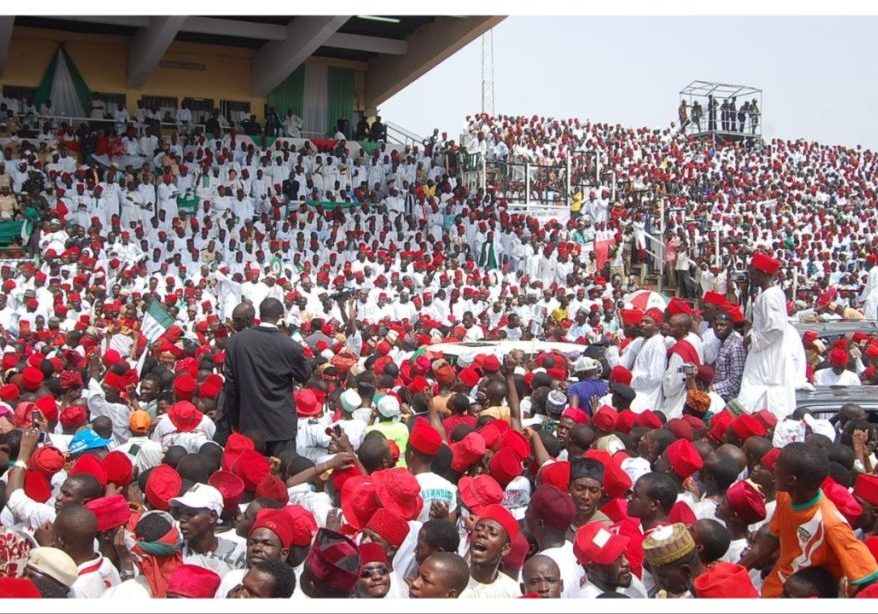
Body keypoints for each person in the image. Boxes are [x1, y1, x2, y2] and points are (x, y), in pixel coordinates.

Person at [740, 442, 878, 597]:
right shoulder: (785, 495)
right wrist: (735, 571)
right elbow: (772, 538)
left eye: (778, 466)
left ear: (792, 480)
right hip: (773, 588)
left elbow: (868, 576)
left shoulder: (832, 524)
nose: (773, 467)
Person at [222, 298, 312, 456]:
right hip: (281, 425)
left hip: (249, 423)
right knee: (283, 468)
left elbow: (230, 387)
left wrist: (234, 420)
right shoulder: (290, 346)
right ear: (281, 316)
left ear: (260, 314)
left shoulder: (235, 342)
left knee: (252, 468)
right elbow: (304, 376)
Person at [738, 253, 800, 419]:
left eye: (752, 272)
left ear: (763, 273)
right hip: (763, 351)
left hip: (767, 355)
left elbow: (775, 329)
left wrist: (752, 339)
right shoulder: (766, 294)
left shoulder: (770, 296)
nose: (750, 276)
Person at [710, 312, 746, 402]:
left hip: (730, 400)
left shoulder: (735, 346)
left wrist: (712, 388)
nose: (718, 328)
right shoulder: (723, 342)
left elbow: (737, 380)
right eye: (716, 325)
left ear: (731, 326)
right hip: (719, 397)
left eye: (723, 325)